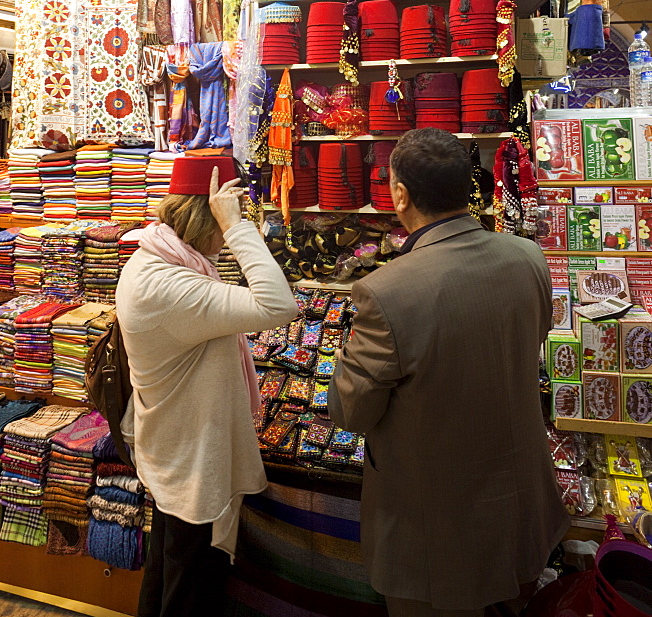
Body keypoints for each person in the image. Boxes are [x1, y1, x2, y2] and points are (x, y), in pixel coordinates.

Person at [328, 128, 569, 617]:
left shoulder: (386, 291)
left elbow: (350, 411)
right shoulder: (527, 258)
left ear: (400, 195)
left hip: (436, 529)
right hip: (519, 506)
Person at [116, 155, 298, 617]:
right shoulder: (170, 285)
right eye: (230, 211)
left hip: (177, 448)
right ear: (208, 215)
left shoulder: (163, 257)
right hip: (190, 460)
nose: (234, 222)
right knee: (188, 589)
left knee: (169, 573)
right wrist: (237, 229)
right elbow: (278, 305)